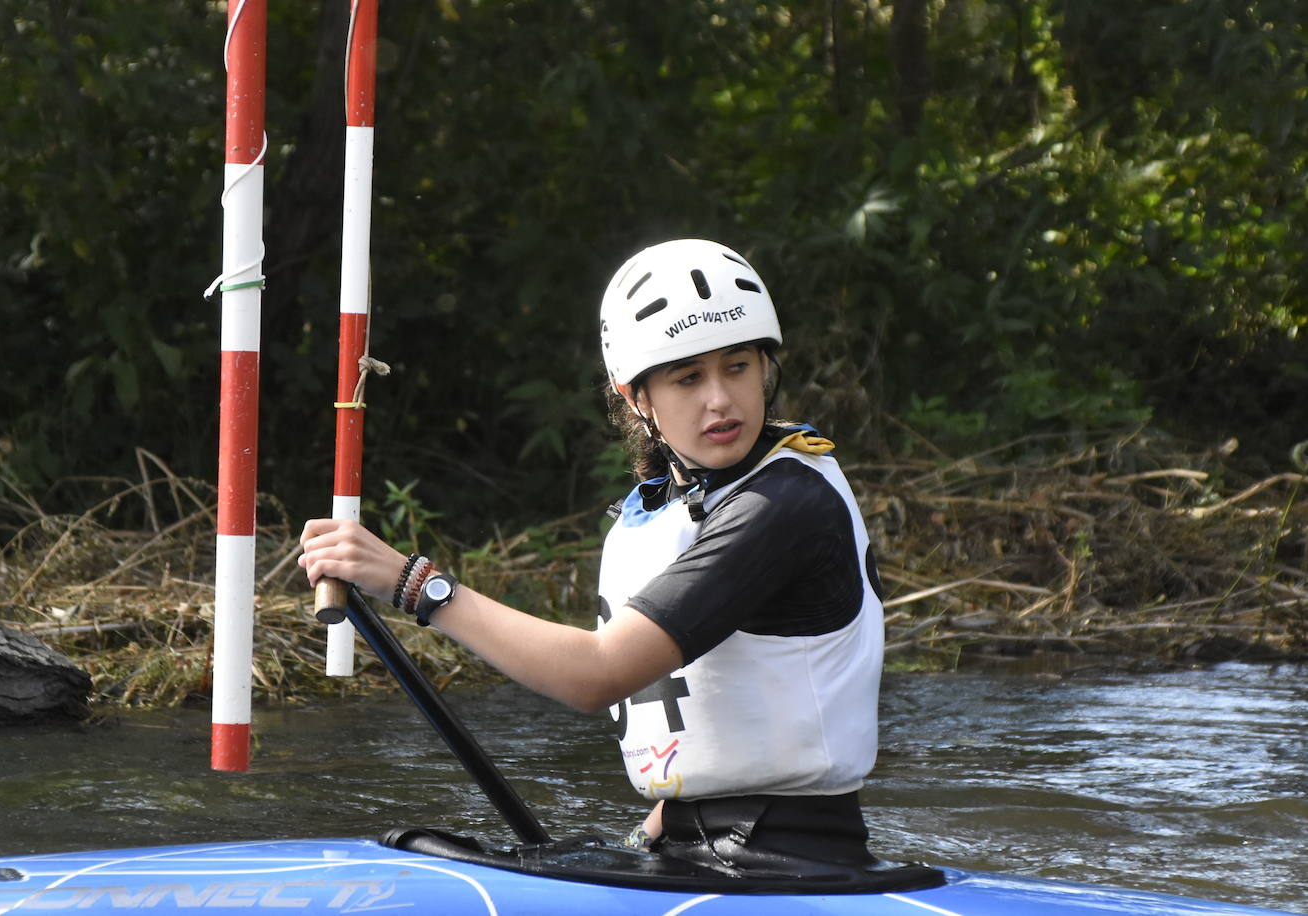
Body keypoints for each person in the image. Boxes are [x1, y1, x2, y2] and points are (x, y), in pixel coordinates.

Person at [298, 238, 887, 875]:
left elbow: (596, 676)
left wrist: (416, 586)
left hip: (793, 864)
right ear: (637, 397)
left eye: (738, 367)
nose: (721, 399)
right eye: (689, 377)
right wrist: (643, 841)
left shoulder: (782, 506)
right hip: (697, 849)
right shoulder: (672, 504)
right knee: (412, 843)